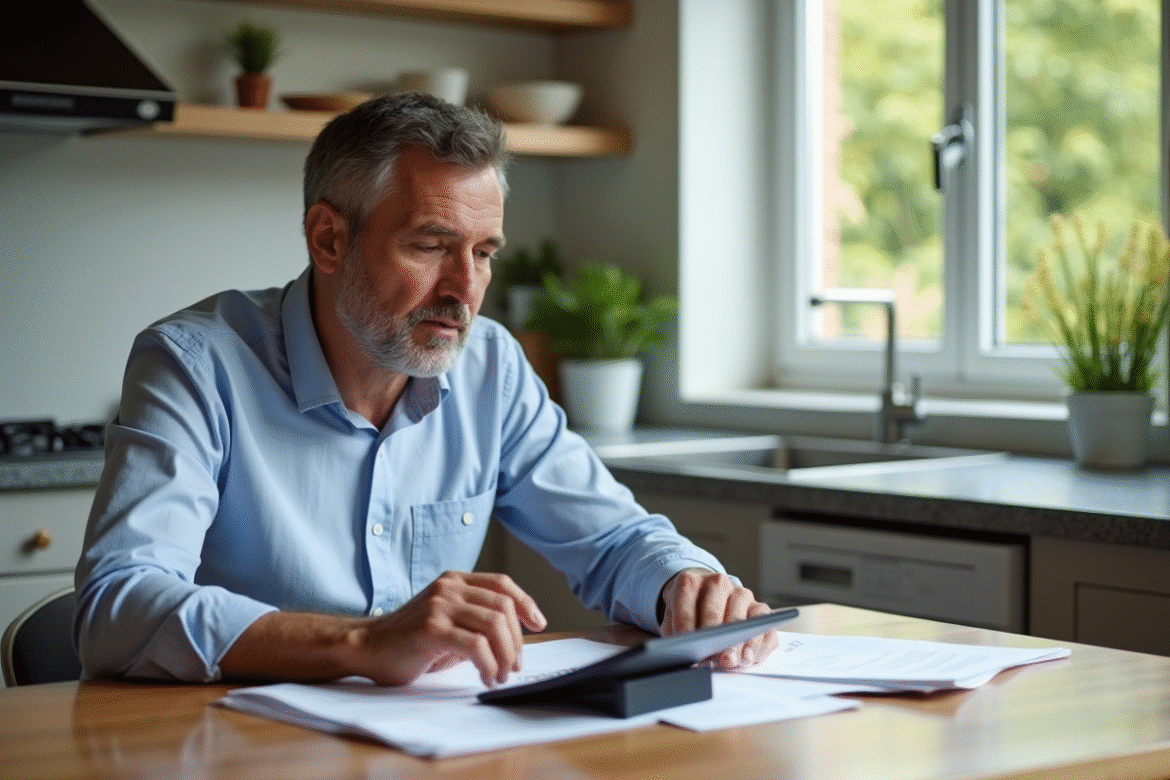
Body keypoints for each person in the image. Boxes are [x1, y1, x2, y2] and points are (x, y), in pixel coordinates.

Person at [74, 92, 777, 688]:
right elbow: (118, 607)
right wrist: (362, 643)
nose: (464, 290)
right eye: (431, 246)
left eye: (483, 253)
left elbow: (613, 539)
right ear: (328, 240)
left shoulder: (490, 366)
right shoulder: (196, 364)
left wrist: (685, 584)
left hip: (426, 745)